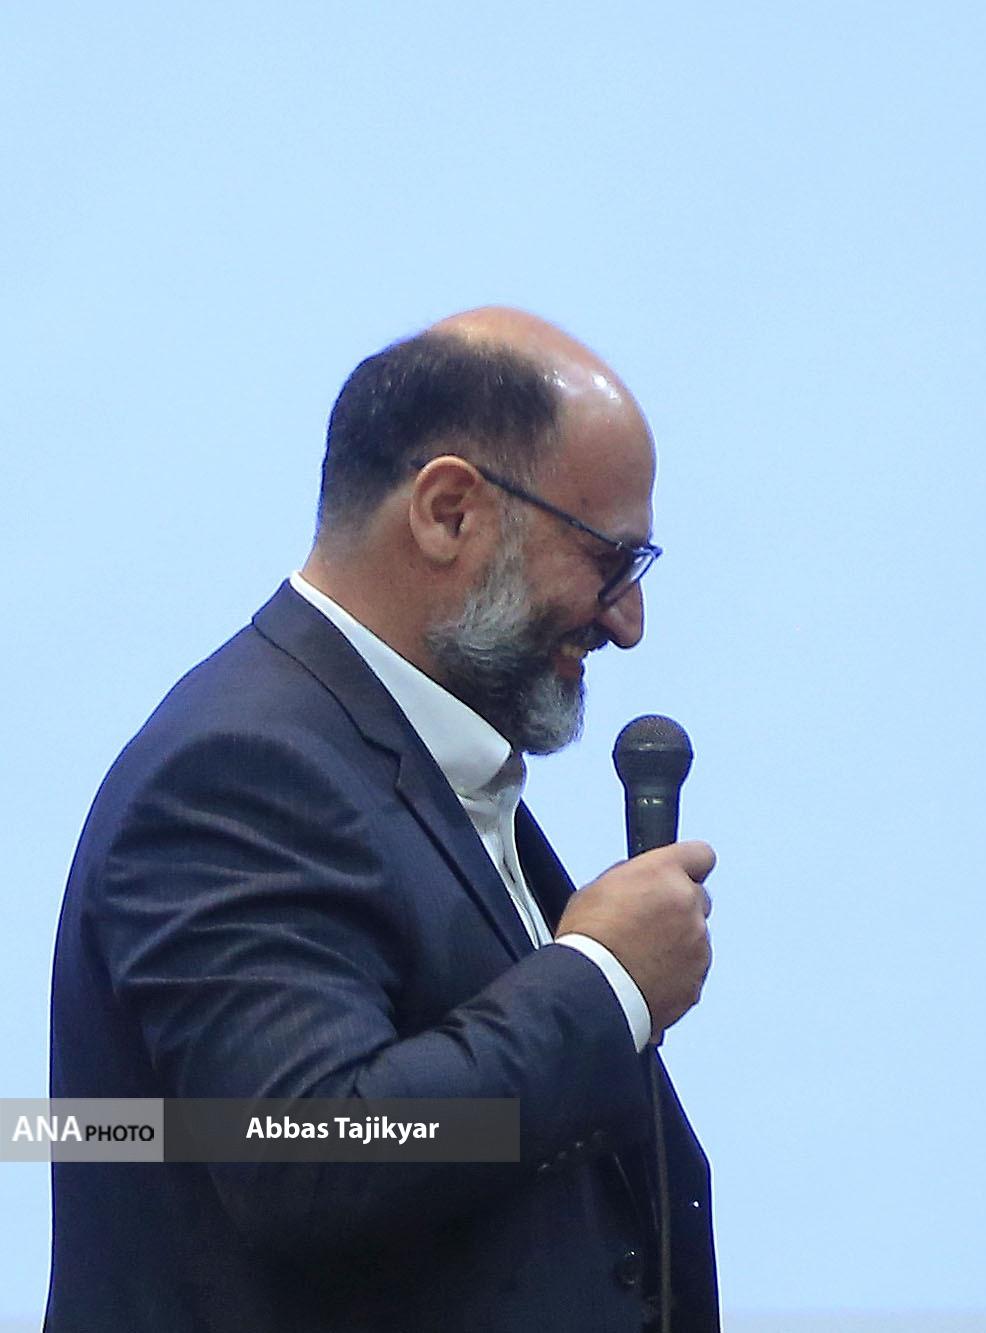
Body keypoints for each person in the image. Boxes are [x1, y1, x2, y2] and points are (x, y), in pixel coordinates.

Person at [49, 309, 720, 1332]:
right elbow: (312, 1156)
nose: (628, 621)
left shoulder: (410, 757)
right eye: (610, 561)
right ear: (448, 512)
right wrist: (603, 982)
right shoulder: (239, 770)